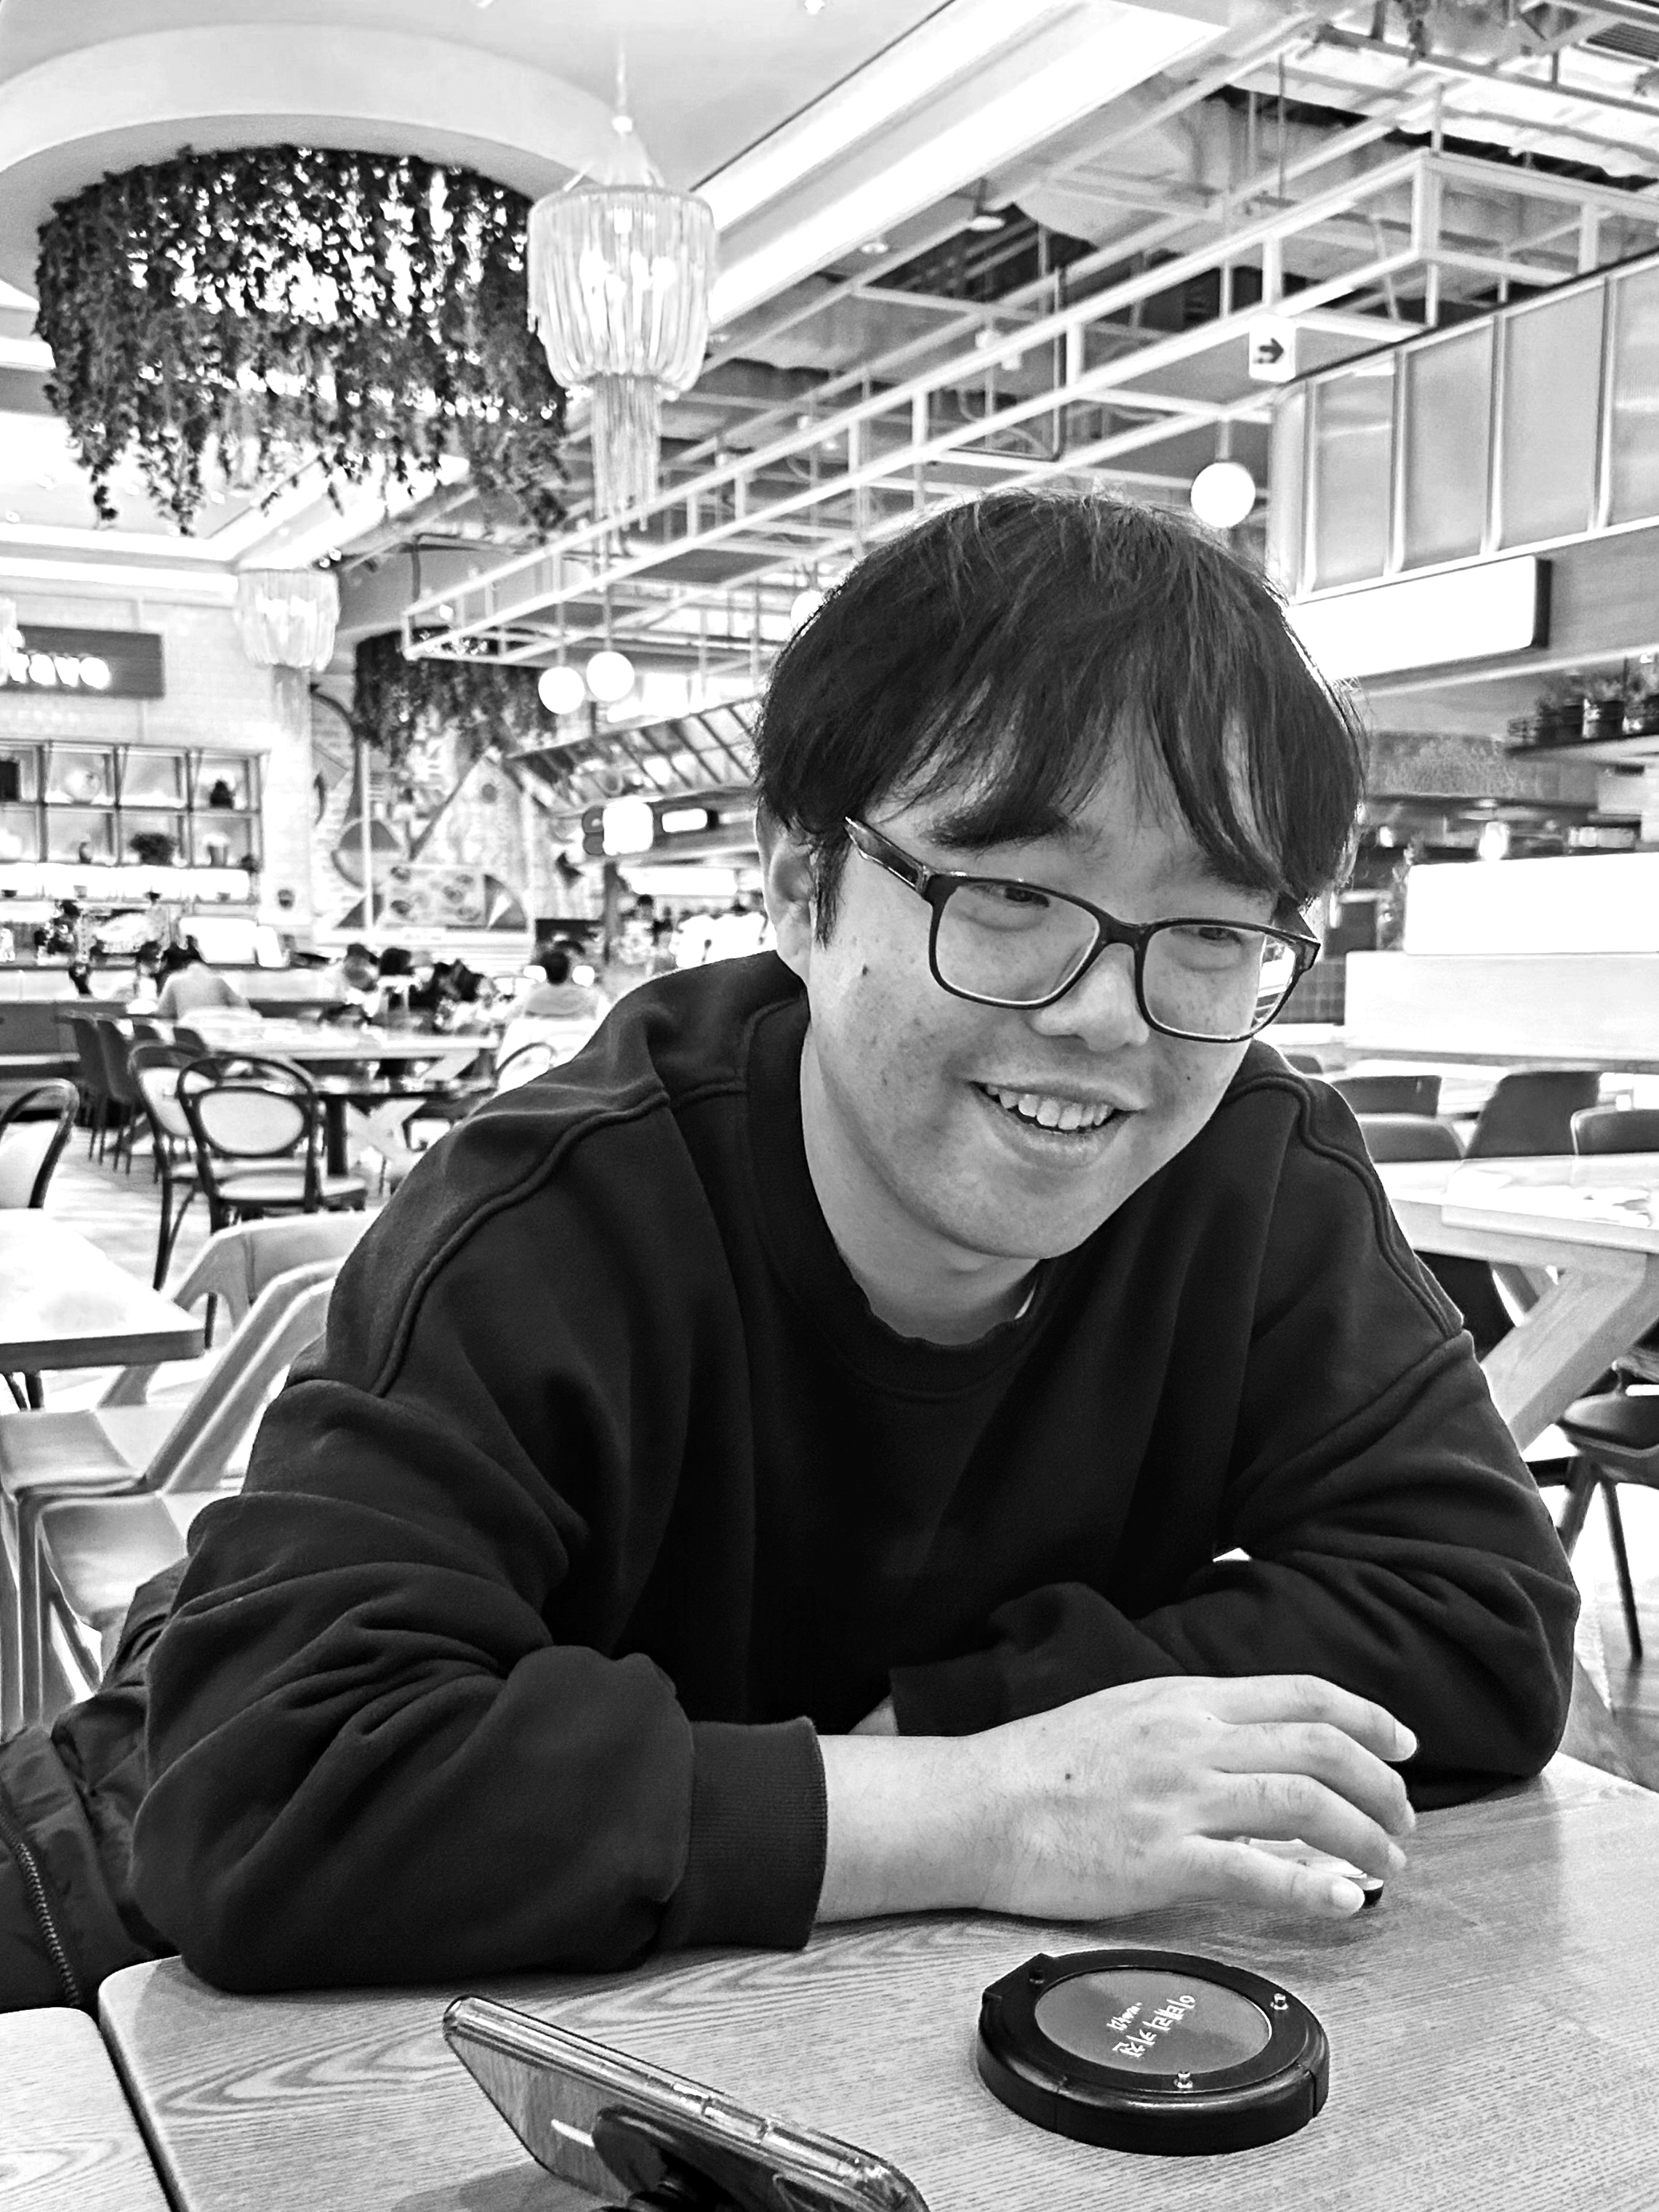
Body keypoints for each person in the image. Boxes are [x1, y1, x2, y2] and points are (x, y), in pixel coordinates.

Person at [131, 492, 1577, 1995]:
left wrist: (976, 1715)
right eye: (1010, 894)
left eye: (1212, 931)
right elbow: (264, 1789)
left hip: (854, 2022)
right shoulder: (563, 1213)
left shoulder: (1252, 1171)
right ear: (797, 887)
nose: (1105, 1017)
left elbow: (1479, 1619)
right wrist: (982, 1806)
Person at [495, 946, 611, 1074]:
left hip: (538, 1070)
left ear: (545, 970)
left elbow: (507, 1016)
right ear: (570, 970)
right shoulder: (591, 997)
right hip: (583, 1070)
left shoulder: (532, 997)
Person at [153, 940, 248, 1022]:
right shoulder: (219, 979)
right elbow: (244, 1008)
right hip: (221, 1032)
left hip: (191, 1034)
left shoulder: (174, 980)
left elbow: (163, 1014)